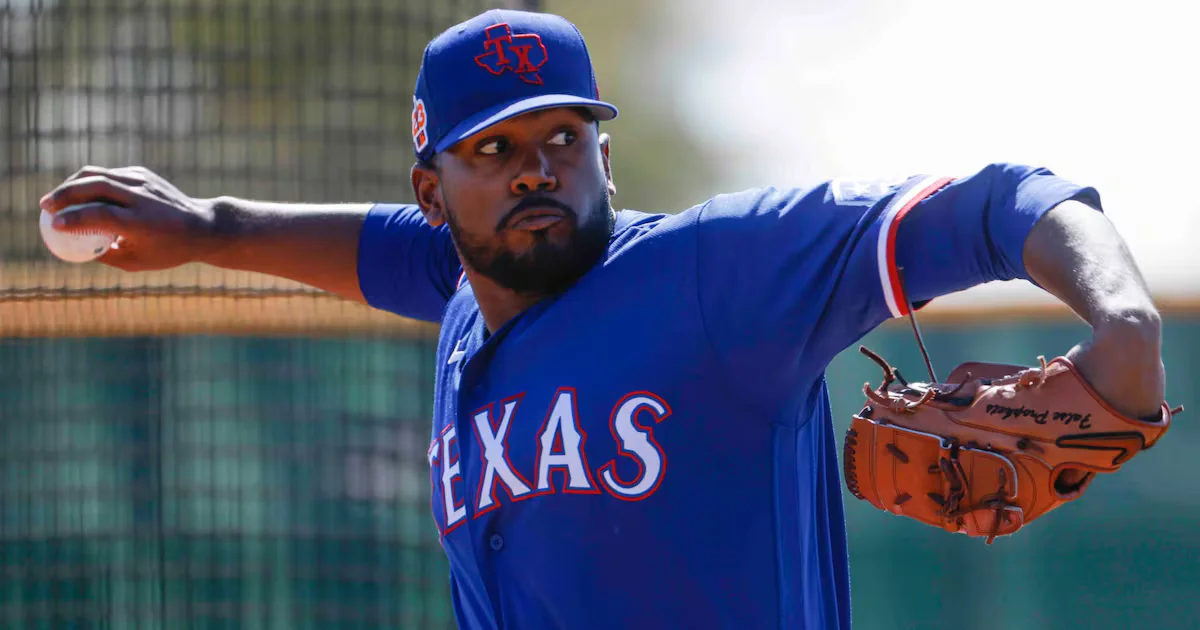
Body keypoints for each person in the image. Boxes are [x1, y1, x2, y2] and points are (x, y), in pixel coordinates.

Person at [38, 9, 1168, 630]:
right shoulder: (465, 299)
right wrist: (214, 227)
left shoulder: (718, 277)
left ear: (605, 155)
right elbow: (376, 249)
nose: (539, 171)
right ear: (437, 192)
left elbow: (999, 202)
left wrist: (1122, 319)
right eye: (495, 150)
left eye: (563, 139)